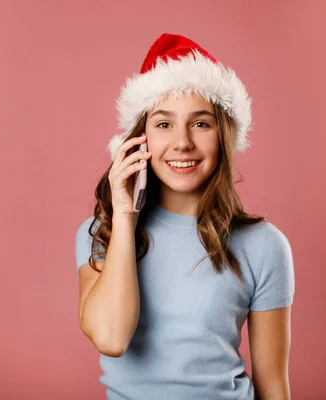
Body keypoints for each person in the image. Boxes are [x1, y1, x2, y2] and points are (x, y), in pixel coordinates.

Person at [75, 33, 295, 400]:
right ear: (138, 139)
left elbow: (273, 386)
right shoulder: (101, 233)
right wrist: (126, 218)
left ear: (224, 137)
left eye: (201, 124)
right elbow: (111, 339)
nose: (182, 142)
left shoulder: (264, 245)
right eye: (163, 124)